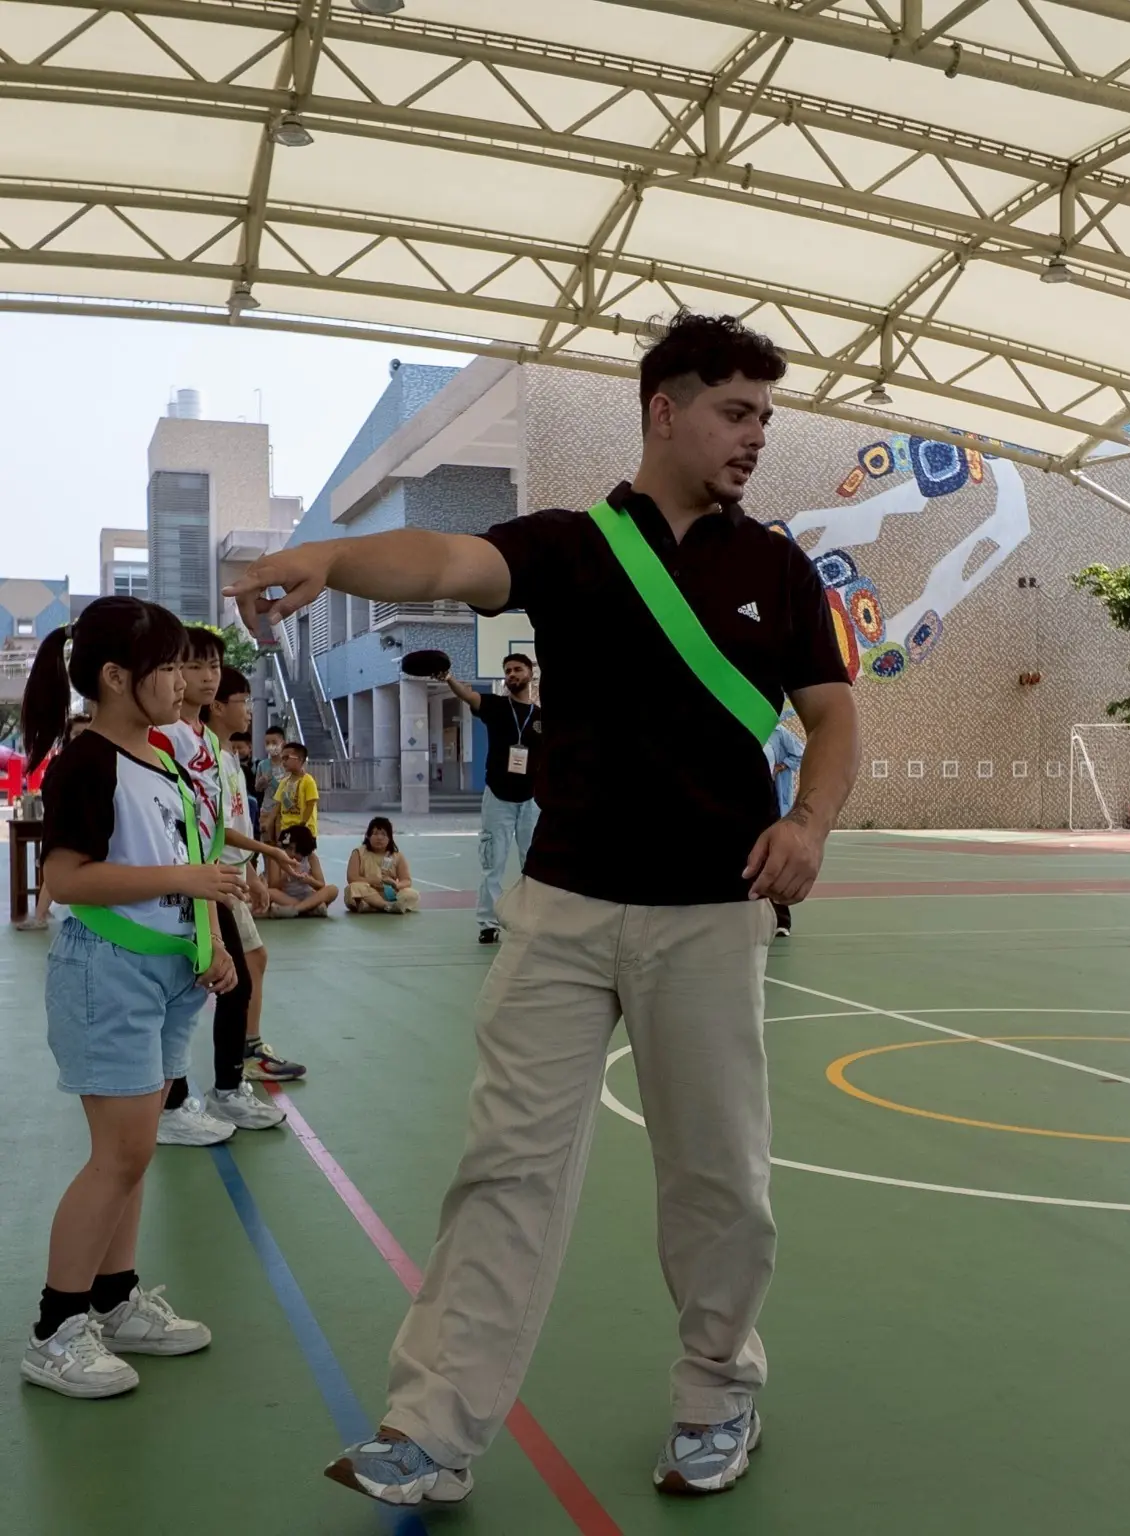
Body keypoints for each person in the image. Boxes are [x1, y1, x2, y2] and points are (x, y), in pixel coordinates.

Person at [227, 310, 858, 1508]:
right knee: (504, 1170)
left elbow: (831, 717)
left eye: (765, 417)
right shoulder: (571, 546)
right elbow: (442, 561)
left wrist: (810, 822)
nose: (755, 436)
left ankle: (717, 1394)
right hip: (561, 908)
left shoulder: (775, 569)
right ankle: (432, 1430)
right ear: (663, 410)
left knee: (718, 1180)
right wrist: (332, 560)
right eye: (736, 412)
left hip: (707, 911)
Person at [16, 597, 240, 1399]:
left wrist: (209, 944)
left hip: (168, 973)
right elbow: (67, 879)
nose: (184, 681)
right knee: (117, 1155)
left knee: (135, 1153)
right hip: (106, 971)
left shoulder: (164, 757)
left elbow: (188, 858)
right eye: (169, 667)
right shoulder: (88, 762)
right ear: (116, 677)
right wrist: (185, 880)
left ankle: (114, 1301)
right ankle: (56, 1329)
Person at [156, 634, 299, 1142]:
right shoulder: (165, 736)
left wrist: (254, 862)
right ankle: (171, 1104)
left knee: (231, 982)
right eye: (193, 666)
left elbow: (211, 825)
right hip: (177, 883)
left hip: (209, 879)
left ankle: (226, 1087)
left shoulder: (207, 743)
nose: (205, 676)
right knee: (180, 997)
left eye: (213, 666)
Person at [210, 674, 307, 1084]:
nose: (250, 710)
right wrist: (267, 854)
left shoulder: (231, 758)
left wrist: (251, 870)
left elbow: (236, 824)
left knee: (253, 960)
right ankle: (241, 1056)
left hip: (234, 872)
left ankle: (248, 1047)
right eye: (243, 701)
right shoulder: (208, 758)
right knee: (239, 969)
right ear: (217, 706)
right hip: (216, 877)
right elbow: (214, 829)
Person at [436, 657, 540, 944]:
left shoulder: (542, 717)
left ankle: (532, 921)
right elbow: (468, 695)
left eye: (517, 669)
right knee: (493, 863)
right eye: (507, 671)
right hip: (498, 797)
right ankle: (488, 923)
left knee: (533, 864)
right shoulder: (495, 706)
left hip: (532, 800)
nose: (512, 674)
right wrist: (449, 678)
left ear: (530, 673)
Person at [16, 713, 90, 932]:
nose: (81, 738)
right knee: (55, 872)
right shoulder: (59, 763)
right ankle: (41, 916)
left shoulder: (103, 762)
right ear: (68, 737)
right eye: (77, 733)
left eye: (86, 733)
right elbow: (50, 794)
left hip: (93, 832)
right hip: (66, 828)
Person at [763, 712, 805, 937]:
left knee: (774, 858)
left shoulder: (778, 733)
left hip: (770, 802)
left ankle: (782, 919)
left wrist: (781, 767)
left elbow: (800, 752)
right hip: (741, 803)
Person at [346, 818, 422, 914]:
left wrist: (396, 885)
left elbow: (406, 880)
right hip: (367, 892)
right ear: (368, 836)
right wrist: (372, 881)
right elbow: (352, 878)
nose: (379, 838)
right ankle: (386, 906)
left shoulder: (397, 856)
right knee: (354, 887)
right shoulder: (358, 853)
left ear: (390, 838)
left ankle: (372, 906)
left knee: (412, 894)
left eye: (384, 834)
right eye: (375, 834)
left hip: (389, 894)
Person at [266, 824, 337, 917]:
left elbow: (321, 885)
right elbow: (273, 886)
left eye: (297, 851)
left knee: (333, 889)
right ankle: (310, 908)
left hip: (307, 896)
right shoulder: (277, 858)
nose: (292, 854)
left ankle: (296, 910)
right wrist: (286, 876)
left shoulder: (311, 858)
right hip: (287, 897)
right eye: (290, 848)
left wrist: (310, 881)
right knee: (269, 892)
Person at [274, 741, 319, 840]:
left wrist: (302, 824)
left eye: (287, 758)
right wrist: (272, 825)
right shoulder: (283, 782)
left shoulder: (308, 781)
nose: (283, 762)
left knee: (303, 850)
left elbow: (310, 805)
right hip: (286, 830)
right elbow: (277, 807)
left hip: (305, 831)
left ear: (300, 759)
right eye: (282, 758)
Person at [253, 725, 285, 838]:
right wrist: (262, 782)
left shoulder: (288, 764)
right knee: (267, 842)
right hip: (266, 810)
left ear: (283, 743)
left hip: (284, 812)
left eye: (274, 742)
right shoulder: (262, 765)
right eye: (267, 743)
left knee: (283, 842)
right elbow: (257, 788)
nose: (270, 746)